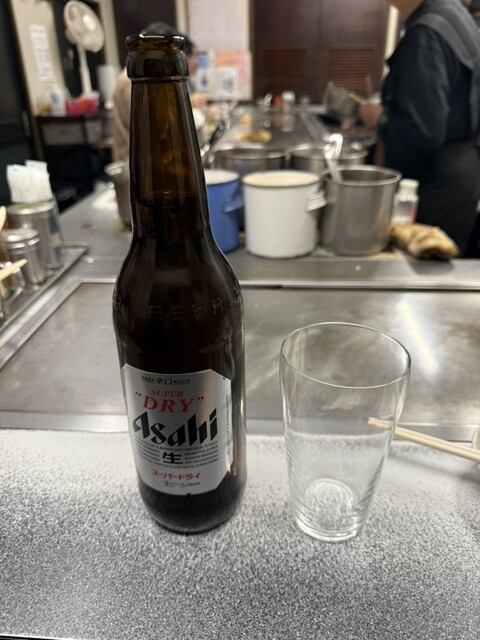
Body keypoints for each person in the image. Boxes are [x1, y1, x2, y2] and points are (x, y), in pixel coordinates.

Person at [359, 0, 480, 256]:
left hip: (436, 183)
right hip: (461, 176)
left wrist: (379, 117)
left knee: (421, 271)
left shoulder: (426, 34)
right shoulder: (451, 12)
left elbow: (422, 131)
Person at [112, 22, 206, 163]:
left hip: (150, 159)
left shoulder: (151, 77)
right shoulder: (133, 82)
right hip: (136, 165)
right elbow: (153, 127)